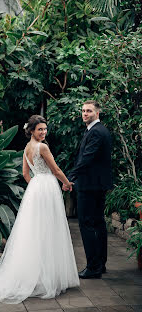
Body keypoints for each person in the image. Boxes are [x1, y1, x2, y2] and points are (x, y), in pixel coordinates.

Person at [0, 115, 80, 303]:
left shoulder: (27, 148)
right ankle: (46, 277)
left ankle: (37, 275)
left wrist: (36, 186)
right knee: (48, 230)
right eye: (40, 129)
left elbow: (26, 174)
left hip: (35, 188)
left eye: (45, 129)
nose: (43, 132)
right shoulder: (42, 147)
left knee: (35, 231)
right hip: (47, 187)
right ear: (32, 131)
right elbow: (56, 170)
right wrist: (66, 184)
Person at [63, 100, 112, 279]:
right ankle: (100, 264)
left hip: (90, 186)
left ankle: (93, 267)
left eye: (89, 111)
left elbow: (86, 159)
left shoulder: (96, 132)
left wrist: (69, 178)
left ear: (97, 113)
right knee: (98, 223)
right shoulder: (98, 130)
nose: (85, 114)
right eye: (83, 111)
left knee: (87, 224)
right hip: (97, 185)